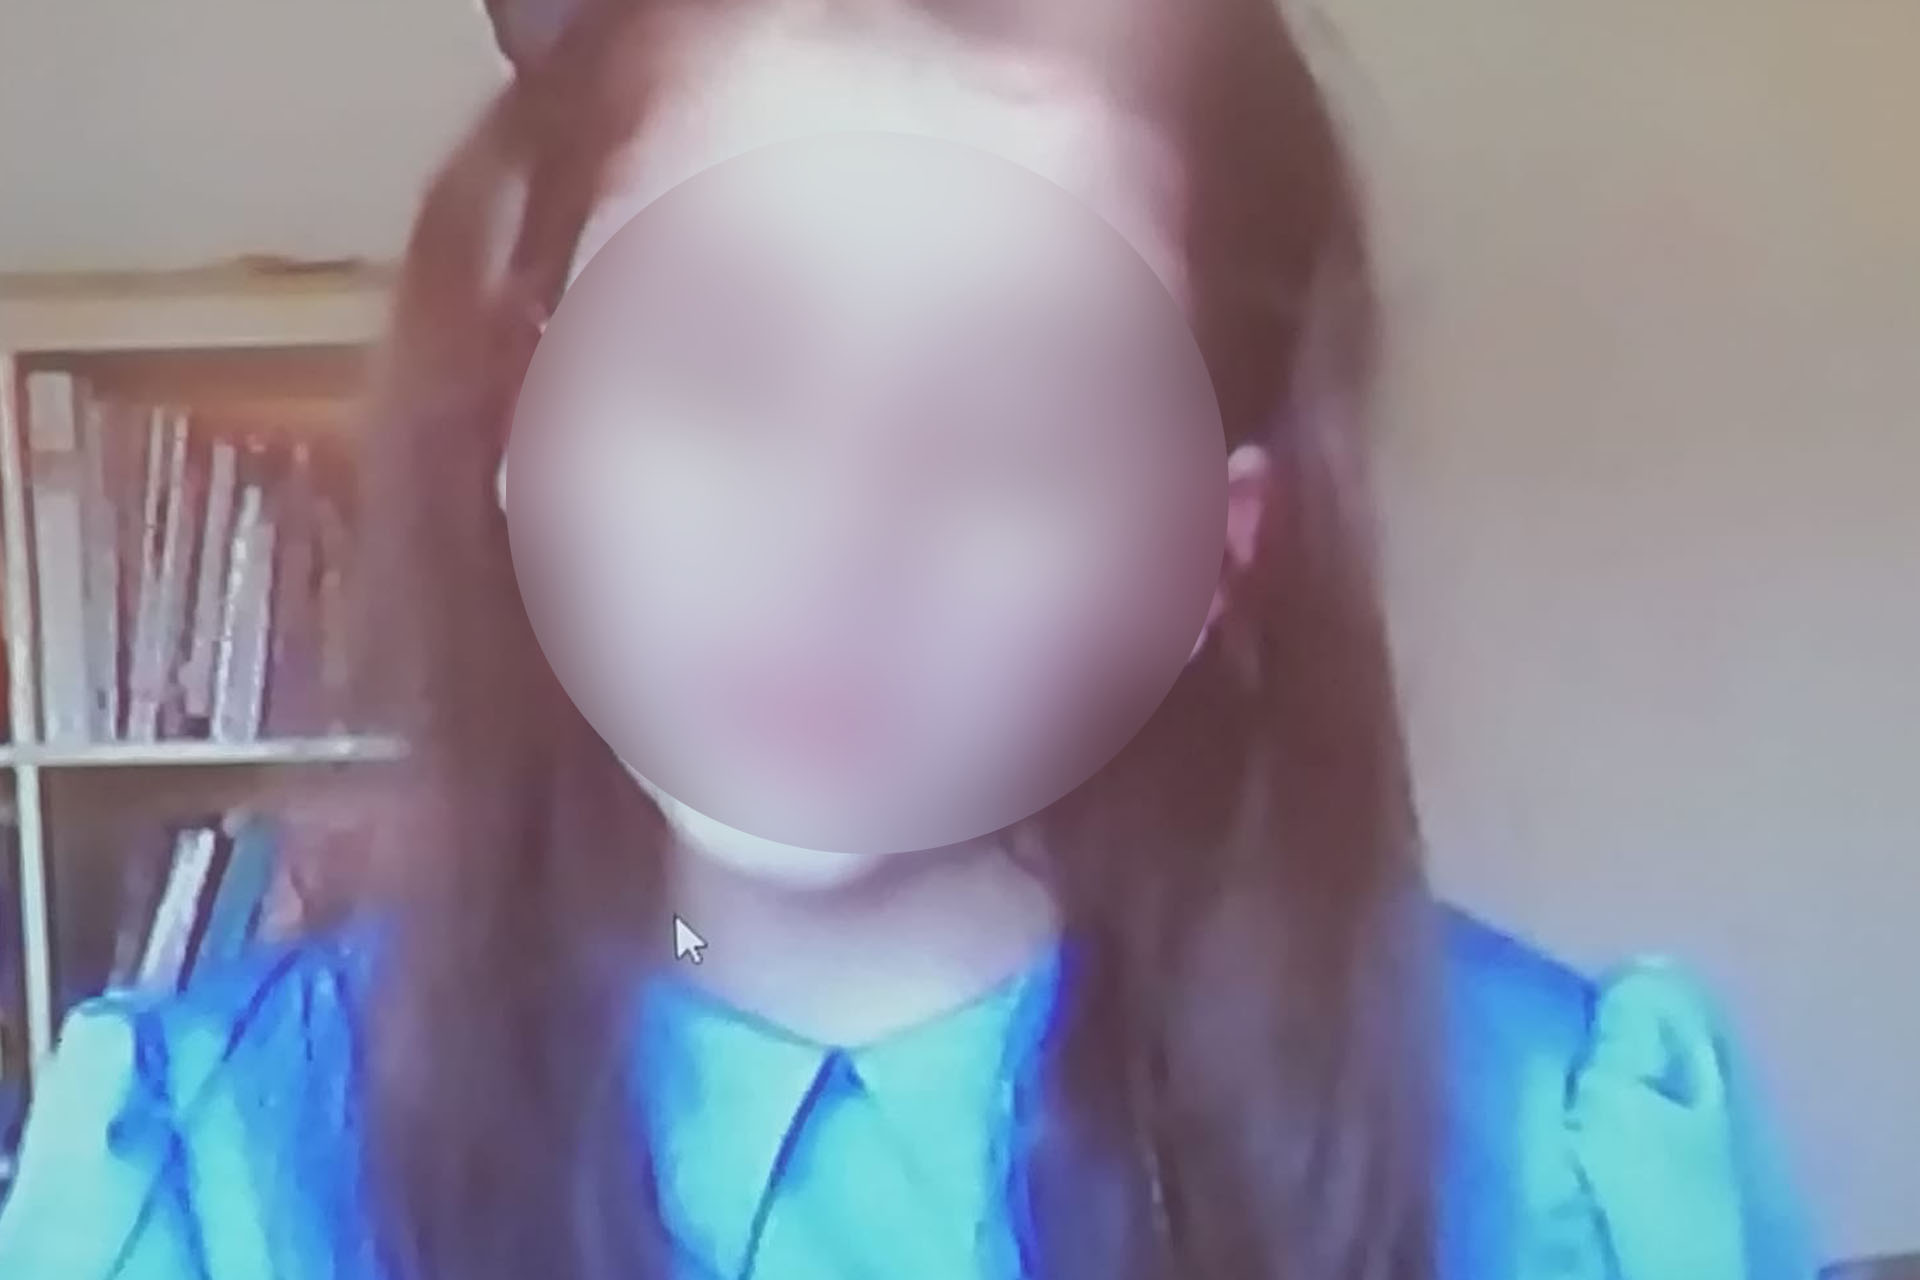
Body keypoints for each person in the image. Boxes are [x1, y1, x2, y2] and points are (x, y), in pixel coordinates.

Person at [0, 0, 1820, 1277]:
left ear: (1216, 558)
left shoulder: (1562, 1162)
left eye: (1019, 424)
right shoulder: (203, 1176)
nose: (834, 536)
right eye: (713, 363)